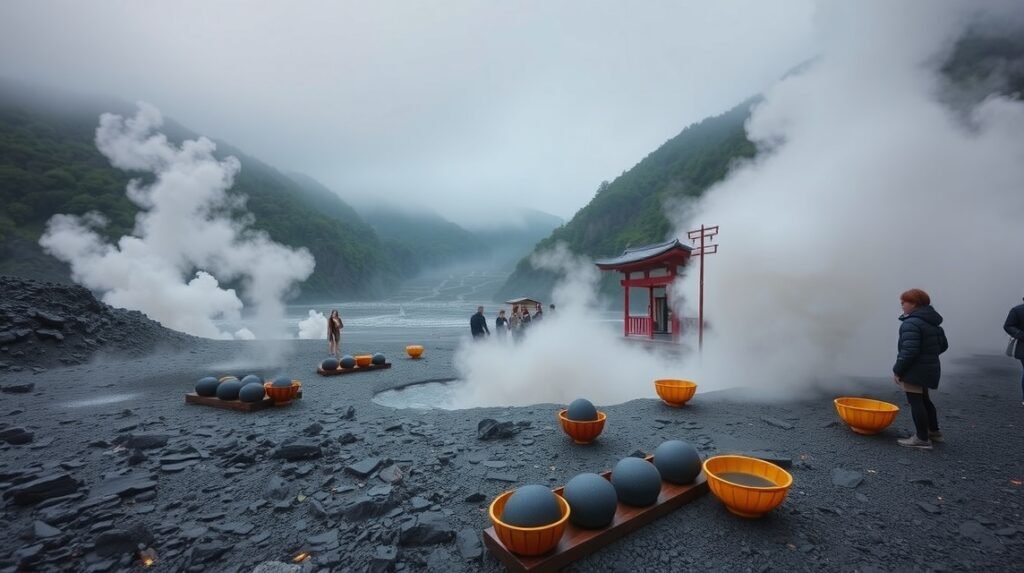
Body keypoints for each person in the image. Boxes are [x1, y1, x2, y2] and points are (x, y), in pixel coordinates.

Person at [892, 288, 948, 449]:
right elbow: (943, 346)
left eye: (904, 302)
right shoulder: (933, 323)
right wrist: (928, 355)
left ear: (914, 304)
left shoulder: (912, 323)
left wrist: (898, 370)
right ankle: (934, 432)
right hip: (929, 367)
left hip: (915, 369)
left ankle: (922, 439)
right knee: (924, 399)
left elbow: (909, 351)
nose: (902, 305)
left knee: (915, 401)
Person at [1003, 296, 1024, 406]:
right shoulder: (1017, 310)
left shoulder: (1017, 310)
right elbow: (1008, 326)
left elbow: (1008, 326)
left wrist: (1019, 335)